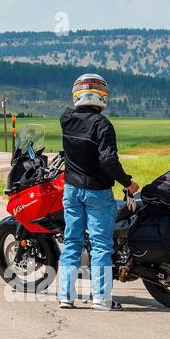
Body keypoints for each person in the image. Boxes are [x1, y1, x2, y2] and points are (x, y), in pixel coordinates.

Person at [57, 74, 139, 311]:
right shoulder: (102, 125)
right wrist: (127, 182)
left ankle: (65, 296)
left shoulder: (66, 118)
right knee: (101, 245)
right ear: (102, 96)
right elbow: (109, 161)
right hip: (97, 192)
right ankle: (101, 299)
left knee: (72, 242)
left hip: (71, 190)